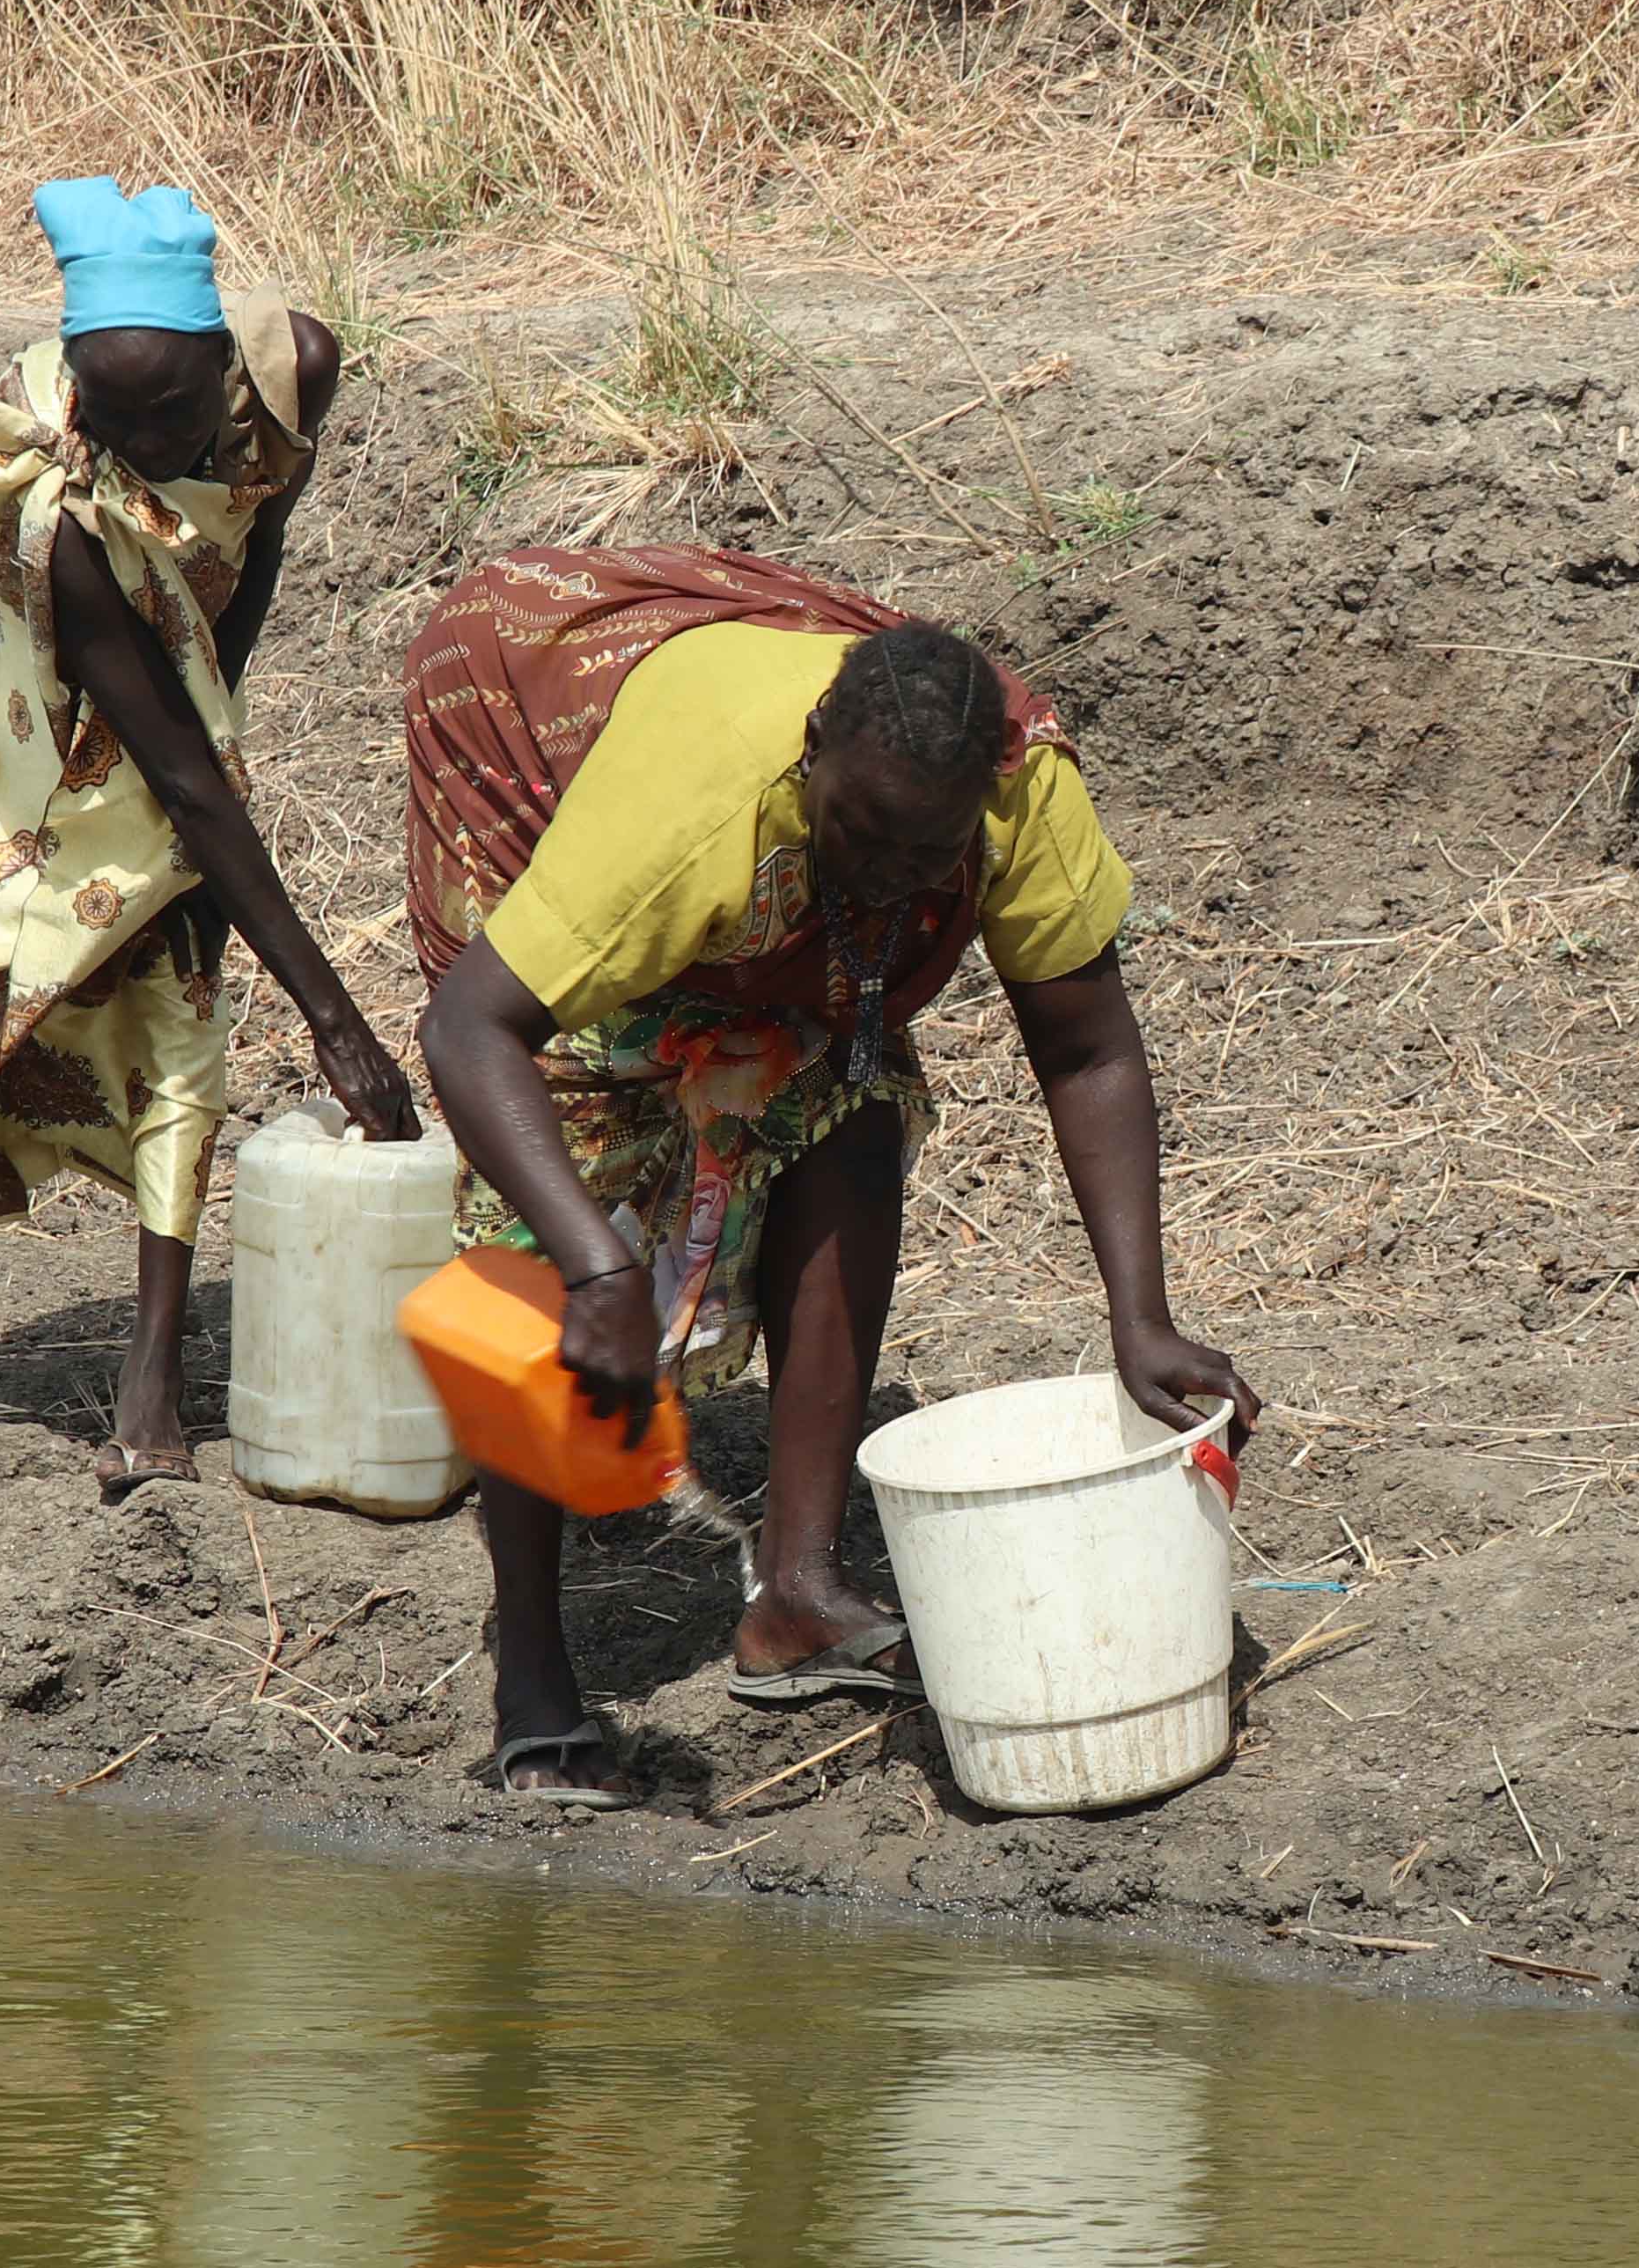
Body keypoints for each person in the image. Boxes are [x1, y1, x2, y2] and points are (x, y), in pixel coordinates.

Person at [404, 544, 1252, 1806]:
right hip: (524, 715)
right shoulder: (689, 813)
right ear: (815, 752)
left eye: (930, 854)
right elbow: (473, 1030)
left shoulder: (1022, 791)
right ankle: (532, 1658)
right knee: (550, 1219)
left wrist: (1140, 1318)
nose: (892, 878)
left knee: (850, 1101)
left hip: (731, 822)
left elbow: (1087, 1050)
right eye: (861, 835)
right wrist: (597, 1266)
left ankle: (796, 1592)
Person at [0, 179, 417, 1556]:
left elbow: (248, 544)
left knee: (177, 972)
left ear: (217, 361)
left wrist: (216, 700)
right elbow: (182, 779)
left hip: (153, 674)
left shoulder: (293, 364)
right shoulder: (58, 504)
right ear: (70, 377)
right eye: (106, 410)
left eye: (166, 416)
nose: (134, 442)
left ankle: (151, 1370)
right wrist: (337, 1019)